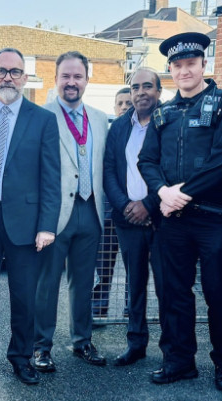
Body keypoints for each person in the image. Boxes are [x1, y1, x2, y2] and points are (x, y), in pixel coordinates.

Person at [137, 32, 222, 389]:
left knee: (218, 292)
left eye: (191, 64)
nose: (184, 70)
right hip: (173, 219)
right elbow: (146, 160)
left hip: (214, 218)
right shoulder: (163, 112)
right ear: (171, 69)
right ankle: (179, 361)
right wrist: (163, 192)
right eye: (178, 65)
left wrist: (182, 193)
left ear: (203, 65)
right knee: (174, 293)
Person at [0, 47, 61, 386]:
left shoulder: (43, 119)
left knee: (24, 296)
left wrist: (47, 225)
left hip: (27, 222)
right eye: (1, 70)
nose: (7, 77)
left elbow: (51, 176)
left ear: (25, 78)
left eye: (15, 71)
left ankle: (21, 358)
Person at [34, 51, 110, 371]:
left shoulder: (100, 118)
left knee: (84, 281)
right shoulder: (41, 116)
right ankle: (41, 346)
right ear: (56, 79)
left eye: (78, 76)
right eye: (65, 76)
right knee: (47, 282)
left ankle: (82, 341)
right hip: (56, 213)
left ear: (87, 80)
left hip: (90, 209)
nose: (71, 82)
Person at [103, 68, 166, 366]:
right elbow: (110, 171)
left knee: (168, 286)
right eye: (135, 87)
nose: (141, 92)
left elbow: (173, 171)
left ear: (158, 92)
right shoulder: (118, 127)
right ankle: (136, 343)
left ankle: (173, 349)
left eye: (147, 86)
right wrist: (127, 205)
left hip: (162, 219)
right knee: (135, 284)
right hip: (128, 219)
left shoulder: (169, 122)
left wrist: (149, 205)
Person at [92, 87, 133, 319]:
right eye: (120, 103)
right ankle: (98, 309)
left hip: (132, 213)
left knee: (133, 267)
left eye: (129, 103)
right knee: (103, 266)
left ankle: (131, 310)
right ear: (115, 107)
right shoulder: (107, 135)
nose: (125, 107)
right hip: (108, 212)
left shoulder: (143, 134)